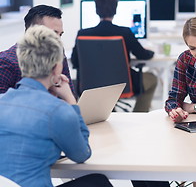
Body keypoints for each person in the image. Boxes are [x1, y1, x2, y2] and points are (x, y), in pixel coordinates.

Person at [0, 25, 113, 187]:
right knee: (98, 182)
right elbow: (82, 154)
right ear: (56, 67)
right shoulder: (58, 112)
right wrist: (70, 100)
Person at [71, 0, 157, 112]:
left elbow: (75, 62)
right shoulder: (125, 32)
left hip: (90, 87)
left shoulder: (82, 34)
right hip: (122, 86)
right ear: (115, 10)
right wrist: (151, 52)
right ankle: (138, 115)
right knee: (152, 79)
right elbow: (142, 54)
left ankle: (107, 111)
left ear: (96, 10)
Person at [0, 4, 74, 94]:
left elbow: (69, 93)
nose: (58, 41)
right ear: (33, 32)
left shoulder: (58, 52)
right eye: (52, 34)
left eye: (60, 35)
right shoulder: (6, 63)